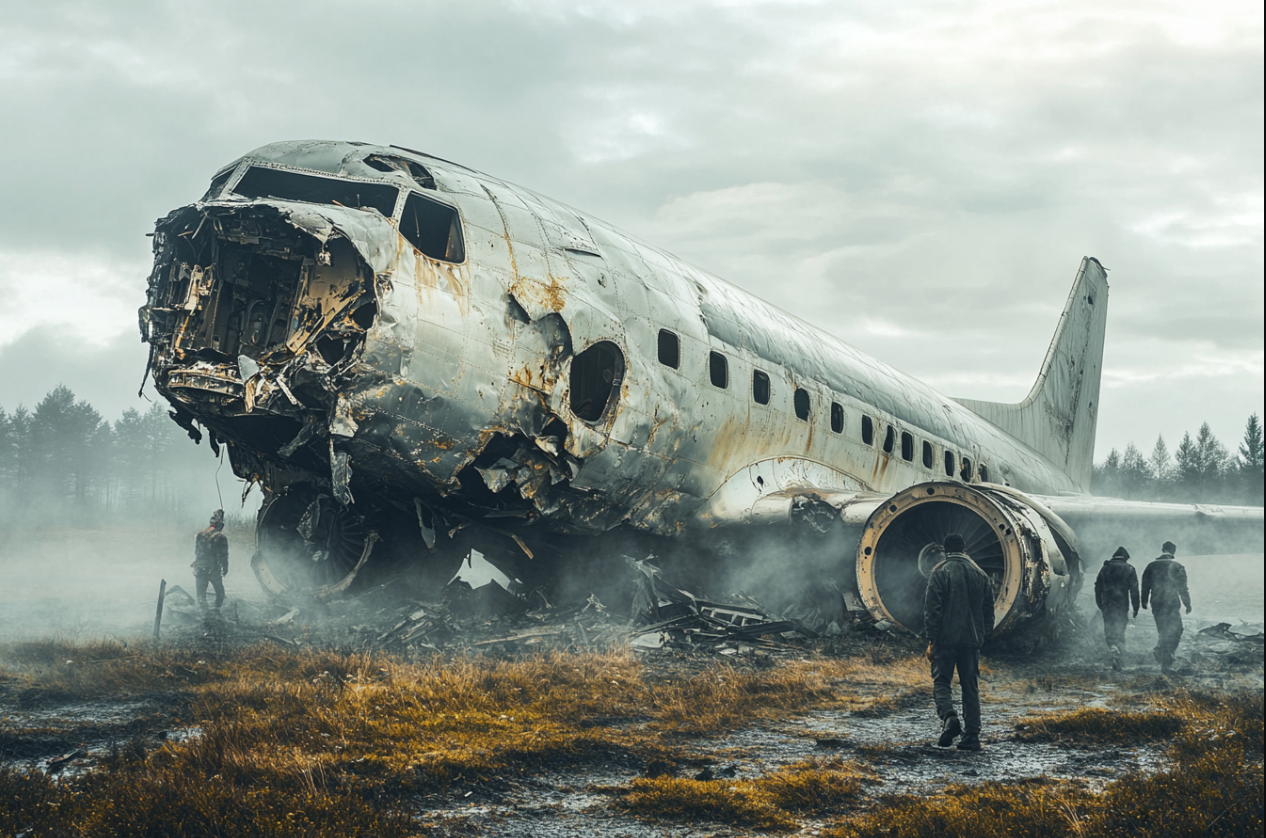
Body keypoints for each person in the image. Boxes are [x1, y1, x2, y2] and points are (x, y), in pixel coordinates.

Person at [923, 532, 995, 751]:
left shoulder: (940, 572)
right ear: (965, 549)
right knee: (970, 687)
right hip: (972, 642)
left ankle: (950, 718)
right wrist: (983, 636)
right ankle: (972, 736)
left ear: (945, 550)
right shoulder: (980, 574)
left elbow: (932, 610)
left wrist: (931, 639)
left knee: (942, 682)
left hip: (945, 639)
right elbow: (988, 611)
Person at [1141, 540, 1190, 673]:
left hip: (1156, 601)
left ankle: (1161, 654)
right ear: (1173, 551)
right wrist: (1187, 603)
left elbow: (1145, 585)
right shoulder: (1178, 566)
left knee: (1162, 630)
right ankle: (1168, 656)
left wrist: (1143, 601)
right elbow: (1183, 588)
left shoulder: (1150, 566)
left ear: (1162, 550)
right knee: (1177, 629)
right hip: (1172, 602)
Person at [1094, 547, 1140, 670]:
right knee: (1120, 628)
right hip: (1122, 604)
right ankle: (1119, 657)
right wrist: (1136, 607)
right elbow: (1134, 590)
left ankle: (1114, 649)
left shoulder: (1105, 568)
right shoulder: (1130, 569)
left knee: (1109, 629)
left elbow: (1098, 587)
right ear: (1125, 558)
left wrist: (1099, 602)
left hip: (1107, 604)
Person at [192, 509, 230, 613]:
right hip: (213, 568)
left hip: (200, 567)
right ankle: (217, 610)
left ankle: (203, 613)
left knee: (201, 593)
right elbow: (224, 555)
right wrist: (225, 568)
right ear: (220, 526)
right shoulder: (221, 537)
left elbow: (197, 551)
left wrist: (197, 561)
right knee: (220, 592)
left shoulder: (200, 535)